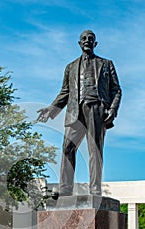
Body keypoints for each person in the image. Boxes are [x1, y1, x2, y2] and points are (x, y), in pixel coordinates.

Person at [37, 30, 121, 196]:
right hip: (75, 111)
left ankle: (95, 189)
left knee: (94, 150)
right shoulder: (70, 67)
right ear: (79, 43)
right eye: (84, 38)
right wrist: (51, 108)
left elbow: (116, 90)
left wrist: (112, 109)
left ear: (95, 43)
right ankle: (65, 189)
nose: (87, 40)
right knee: (68, 147)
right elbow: (65, 92)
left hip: (97, 108)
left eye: (91, 39)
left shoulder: (106, 64)